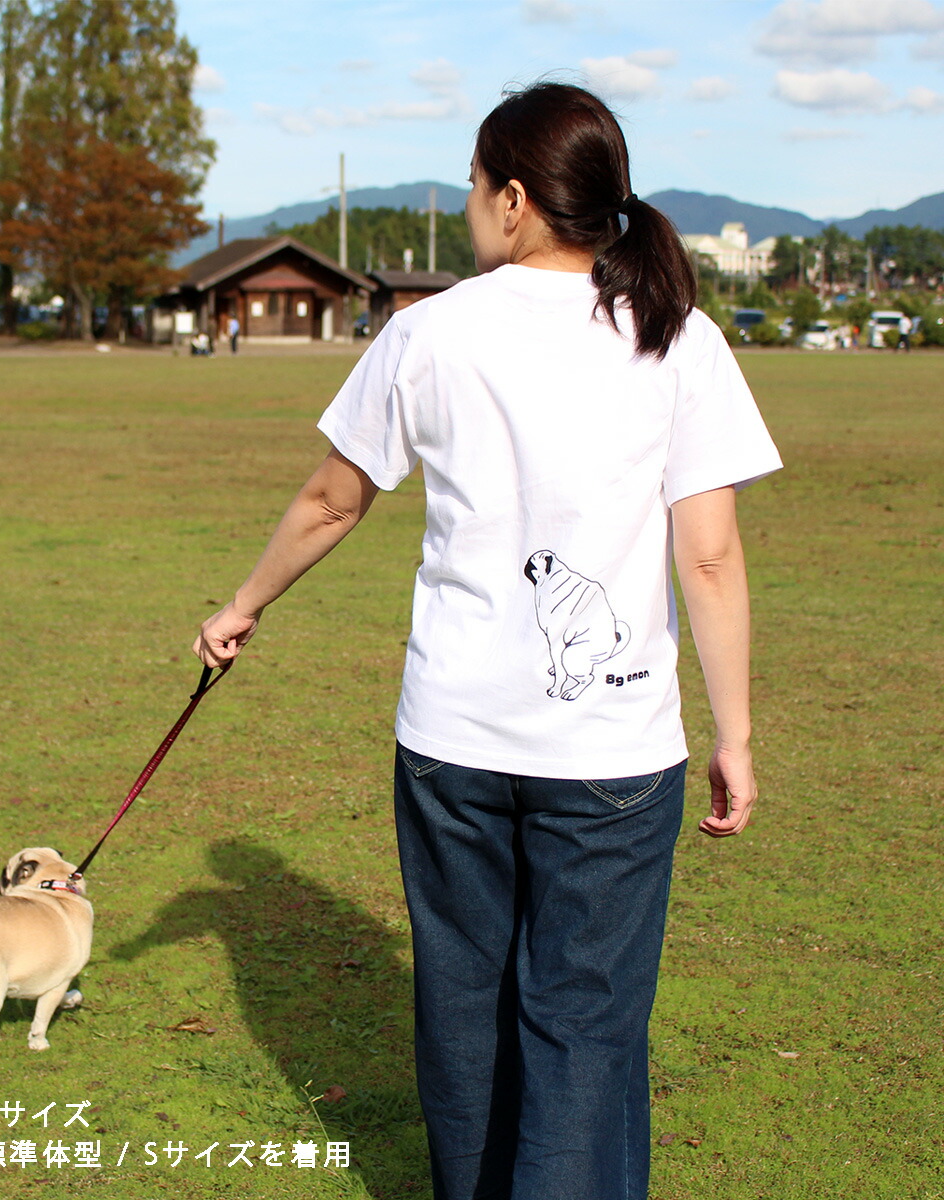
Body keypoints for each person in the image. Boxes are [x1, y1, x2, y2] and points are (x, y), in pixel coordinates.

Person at [194, 81, 781, 1200]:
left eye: (473, 184)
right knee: (584, 1029)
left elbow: (331, 499)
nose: (469, 205)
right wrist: (737, 735)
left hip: (454, 743)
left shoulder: (430, 331)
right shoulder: (677, 335)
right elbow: (707, 556)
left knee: (463, 1011)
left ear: (513, 200)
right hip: (613, 755)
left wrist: (243, 604)